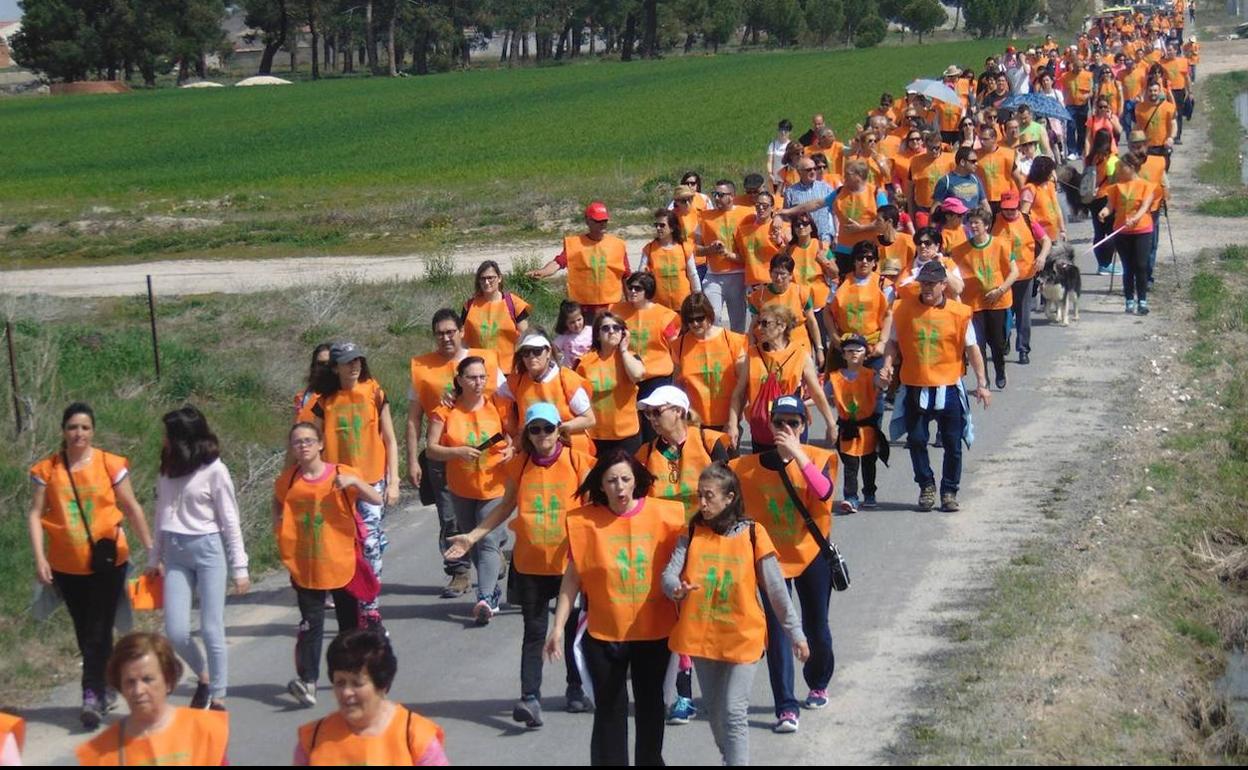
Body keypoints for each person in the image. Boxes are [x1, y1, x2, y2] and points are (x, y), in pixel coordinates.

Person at [445, 403, 593, 726]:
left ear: (559, 430)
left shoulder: (578, 461)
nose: (542, 435)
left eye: (548, 428)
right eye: (535, 429)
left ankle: (575, 688)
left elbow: (593, 509)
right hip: (530, 563)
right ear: (527, 433)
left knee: (571, 630)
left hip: (569, 565)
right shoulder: (520, 465)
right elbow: (505, 506)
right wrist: (472, 537)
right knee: (534, 631)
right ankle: (530, 698)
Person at [544, 451, 685, 766]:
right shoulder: (584, 523)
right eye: (611, 481)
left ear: (636, 481)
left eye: (625, 479)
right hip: (604, 632)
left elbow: (686, 567)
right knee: (609, 709)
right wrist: (557, 627)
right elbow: (572, 579)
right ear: (600, 485)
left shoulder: (667, 516)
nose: (619, 487)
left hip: (655, 630)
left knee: (651, 706)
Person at [663, 464, 809, 765]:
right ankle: (730, 757)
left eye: (709, 496)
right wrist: (676, 588)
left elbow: (776, 590)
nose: (702, 503)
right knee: (716, 714)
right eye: (700, 495)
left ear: (729, 498)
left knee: (733, 711)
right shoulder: (691, 532)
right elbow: (668, 575)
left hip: (744, 636)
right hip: (702, 637)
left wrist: (796, 633)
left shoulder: (753, 533)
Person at [27, 402, 154, 729]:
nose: (78, 433)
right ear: (63, 431)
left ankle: (91, 695)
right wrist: (40, 558)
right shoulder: (47, 470)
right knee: (86, 630)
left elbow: (131, 506)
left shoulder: (109, 464)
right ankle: (108, 683)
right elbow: (35, 514)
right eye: (73, 427)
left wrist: (152, 548)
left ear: (93, 431)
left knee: (97, 628)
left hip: (107, 561)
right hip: (66, 565)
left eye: (85, 427)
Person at [728, 397, 837, 734]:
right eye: (779, 423)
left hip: (810, 554)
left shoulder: (819, 458)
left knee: (815, 626)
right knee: (776, 632)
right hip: (771, 558)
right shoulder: (745, 467)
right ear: (769, 425)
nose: (786, 429)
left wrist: (798, 454)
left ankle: (818, 682)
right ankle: (786, 707)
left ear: (805, 426)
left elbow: (823, 492)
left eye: (794, 423)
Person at [150, 406, 249, 712]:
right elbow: (161, 514)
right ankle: (204, 676)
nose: (163, 439)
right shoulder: (167, 468)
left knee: (211, 628)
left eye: (168, 434)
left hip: (208, 550)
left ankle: (218, 695)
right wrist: (154, 557)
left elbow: (230, 520)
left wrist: (240, 566)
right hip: (175, 552)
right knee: (176, 631)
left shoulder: (215, 470)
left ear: (184, 439)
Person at [276, 422, 380, 707]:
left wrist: (355, 483)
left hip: (341, 563)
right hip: (306, 565)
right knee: (310, 625)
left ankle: (351, 677)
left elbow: (376, 499)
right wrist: (280, 531)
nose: (303, 446)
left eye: (309, 440)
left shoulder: (342, 473)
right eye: (297, 442)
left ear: (321, 444)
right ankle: (308, 682)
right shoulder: (288, 480)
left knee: (348, 628)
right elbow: (278, 504)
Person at [881, 261, 992, 512]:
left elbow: (972, 349)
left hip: (948, 386)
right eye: (924, 283)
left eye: (932, 283)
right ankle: (926, 485)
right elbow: (893, 342)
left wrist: (982, 383)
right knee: (917, 440)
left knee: (953, 443)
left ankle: (949, 491)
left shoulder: (959, 313)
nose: (927, 288)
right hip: (915, 385)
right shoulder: (903, 309)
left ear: (944, 285)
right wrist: (887, 366)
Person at [408, 310, 505, 598]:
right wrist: (412, 459)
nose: (446, 338)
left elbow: (508, 401)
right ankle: (459, 571)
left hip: (488, 458)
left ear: (462, 331)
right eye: (440, 333)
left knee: (487, 516)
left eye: (451, 331)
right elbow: (413, 418)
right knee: (451, 517)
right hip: (444, 453)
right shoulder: (422, 368)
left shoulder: (486, 361)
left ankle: (491, 555)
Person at [313, 342, 399, 627]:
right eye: (348, 362)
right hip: (338, 486)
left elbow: (390, 439)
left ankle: (370, 607)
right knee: (347, 546)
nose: (354, 366)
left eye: (358, 360)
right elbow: (312, 444)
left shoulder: (374, 392)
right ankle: (353, 599)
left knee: (370, 543)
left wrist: (394, 481)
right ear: (335, 368)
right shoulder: (324, 403)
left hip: (371, 480)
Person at [427, 356, 516, 623]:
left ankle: (486, 598)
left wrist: (511, 449)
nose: (478, 383)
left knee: (487, 540)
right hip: (461, 488)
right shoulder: (445, 411)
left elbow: (515, 435)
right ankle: (491, 587)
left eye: (482, 377)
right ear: (459, 380)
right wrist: (457, 452)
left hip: (494, 486)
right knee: (471, 541)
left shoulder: (498, 405)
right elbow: (431, 448)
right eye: (472, 377)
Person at [295, 629, 448, 765]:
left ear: (382, 685)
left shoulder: (415, 736)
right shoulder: (313, 739)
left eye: (357, 683)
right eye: (340, 683)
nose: (346, 692)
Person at [76, 632, 229, 765]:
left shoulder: (204, 730)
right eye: (130, 682)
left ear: (168, 680)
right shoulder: (101, 752)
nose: (138, 690)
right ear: (119, 685)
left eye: (147, 679)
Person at [726, 304, 837, 454]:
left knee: (793, 468)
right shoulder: (752, 354)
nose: (759, 328)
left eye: (765, 323)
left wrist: (831, 424)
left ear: (782, 326)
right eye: (758, 323)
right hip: (762, 428)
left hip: (792, 427)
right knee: (764, 468)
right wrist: (733, 424)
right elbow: (739, 393)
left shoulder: (800, 355)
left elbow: (816, 393)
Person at [609, 272, 683, 438]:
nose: (632, 291)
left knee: (654, 428)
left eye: (638, 288)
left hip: (656, 378)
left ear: (647, 291)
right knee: (631, 426)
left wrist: (678, 377)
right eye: (630, 287)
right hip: (627, 375)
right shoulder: (616, 311)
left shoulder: (666, 316)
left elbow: (675, 348)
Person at [528, 201, 631, 320]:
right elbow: (559, 262)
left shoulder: (617, 245)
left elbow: (626, 275)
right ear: (587, 221)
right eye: (597, 221)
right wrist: (543, 272)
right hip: (584, 309)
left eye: (604, 221)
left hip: (611, 308)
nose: (602, 224)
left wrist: (630, 303)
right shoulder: (575, 244)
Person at [951, 209, 1017, 390]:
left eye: (977, 223)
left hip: (997, 302)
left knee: (997, 342)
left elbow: (1014, 272)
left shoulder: (1001, 244)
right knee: (978, 343)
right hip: (973, 303)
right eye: (970, 222)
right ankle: (984, 380)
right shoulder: (960, 250)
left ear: (986, 225)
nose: (973, 226)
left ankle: (1000, 370)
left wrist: (1001, 290)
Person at [499, 332, 596, 455]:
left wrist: (556, 430)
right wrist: (514, 443)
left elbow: (589, 419)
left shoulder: (566, 379)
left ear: (548, 352)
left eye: (537, 351)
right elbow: (495, 401)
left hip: (569, 449)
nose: (531, 356)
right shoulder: (516, 382)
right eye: (526, 352)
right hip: (533, 447)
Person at [827, 335, 889, 513]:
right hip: (847, 428)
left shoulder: (871, 375)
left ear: (865, 354)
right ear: (843, 355)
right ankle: (850, 497)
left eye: (858, 350)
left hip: (867, 428)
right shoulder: (835, 377)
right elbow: (820, 395)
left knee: (869, 463)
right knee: (850, 465)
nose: (854, 354)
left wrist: (885, 379)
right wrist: (801, 403)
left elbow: (881, 384)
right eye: (849, 351)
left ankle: (869, 494)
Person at [670, 293, 749, 432]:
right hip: (694, 424)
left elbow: (743, 387)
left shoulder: (733, 341)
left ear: (709, 315)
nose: (695, 323)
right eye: (690, 320)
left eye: (700, 318)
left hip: (727, 421)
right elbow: (677, 386)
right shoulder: (679, 346)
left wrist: (733, 421)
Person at [576, 312, 646, 456]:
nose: (611, 331)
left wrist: (624, 350)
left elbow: (637, 375)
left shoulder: (630, 357)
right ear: (597, 335)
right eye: (605, 328)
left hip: (627, 434)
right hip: (596, 435)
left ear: (623, 333)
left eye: (616, 328)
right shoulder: (584, 362)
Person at [993, 191, 1052, 365]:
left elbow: (1046, 241)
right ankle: (1004, 341)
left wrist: (1042, 257)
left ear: (1018, 206)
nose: (1009, 212)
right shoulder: (993, 221)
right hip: (1002, 276)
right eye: (1006, 209)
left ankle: (1023, 349)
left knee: (1024, 315)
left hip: (1025, 274)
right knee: (1003, 314)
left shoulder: (1028, 220)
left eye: (1013, 209)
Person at [1100, 153, 1157, 315]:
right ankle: (1129, 300)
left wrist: (1135, 218)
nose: (1118, 170)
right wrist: (1104, 212)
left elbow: (1145, 207)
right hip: (1121, 231)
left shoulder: (1146, 186)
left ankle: (1142, 301)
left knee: (1141, 265)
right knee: (1128, 267)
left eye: (1121, 167)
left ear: (1131, 167)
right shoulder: (1116, 187)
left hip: (1142, 230)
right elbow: (1110, 205)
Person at [827, 241, 893, 377]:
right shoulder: (840, 283)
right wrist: (834, 338)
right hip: (845, 346)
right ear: (854, 261)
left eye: (869, 258)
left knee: (874, 386)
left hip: (873, 347)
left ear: (875, 262)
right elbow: (827, 312)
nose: (864, 261)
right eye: (860, 258)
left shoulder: (884, 285)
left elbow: (889, 315)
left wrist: (882, 343)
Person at [696, 180, 752, 332]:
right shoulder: (705, 217)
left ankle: (736, 346)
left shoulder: (747, 214)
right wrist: (709, 249)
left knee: (738, 321)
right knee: (713, 317)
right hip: (713, 275)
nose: (716, 198)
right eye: (715, 194)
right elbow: (695, 249)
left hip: (738, 275)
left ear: (731, 196)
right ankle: (718, 343)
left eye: (720, 195)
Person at [747, 254, 821, 368]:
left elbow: (812, 322)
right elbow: (753, 326)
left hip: (799, 346)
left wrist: (819, 348)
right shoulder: (758, 296)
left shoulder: (801, 293)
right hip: (770, 350)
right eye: (775, 273)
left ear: (791, 275)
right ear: (770, 273)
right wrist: (751, 348)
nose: (778, 278)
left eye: (783, 274)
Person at [461, 260, 531, 372]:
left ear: (499, 278)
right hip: (479, 371)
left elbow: (526, 337)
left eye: (490, 278)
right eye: (482, 278)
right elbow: (463, 341)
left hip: (509, 370)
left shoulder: (514, 304)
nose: (486, 282)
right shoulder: (469, 306)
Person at [640, 208, 699, 311]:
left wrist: (698, 296)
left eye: (662, 225)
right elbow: (640, 275)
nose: (658, 228)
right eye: (656, 225)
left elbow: (692, 274)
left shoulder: (684, 248)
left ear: (672, 228)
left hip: (682, 304)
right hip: (659, 306)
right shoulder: (649, 249)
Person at [733, 190, 788, 290]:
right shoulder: (744, 231)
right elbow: (743, 257)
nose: (761, 208)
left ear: (772, 208)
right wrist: (725, 253)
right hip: (752, 283)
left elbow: (789, 255)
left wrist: (779, 242)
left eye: (765, 205)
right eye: (758, 205)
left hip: (774, 281)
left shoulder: (781, 227)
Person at [782, 157, 836, 249]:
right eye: (809, 170)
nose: (813, 172)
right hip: (803, 242)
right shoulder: (790, 192)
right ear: (799, 172)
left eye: (814, 168)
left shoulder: (826, 188)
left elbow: (835, 213)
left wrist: (836, 234)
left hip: (825, 240)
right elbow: (786, 218)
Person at [1087, 128, 1121, 275]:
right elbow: (1114, 182)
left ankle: (1101, 264)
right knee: (1112, 233)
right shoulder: (1111, 160)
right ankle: (1106, 263)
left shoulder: (1092, 158)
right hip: (1106, 198)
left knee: (1098, 233)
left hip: (1093, 198)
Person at [975, 123, 1026, 215]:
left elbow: (1018, 178)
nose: (982, 142)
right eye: (980, 139)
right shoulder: (975, 155)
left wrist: (1023, 199)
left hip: (1004, 199)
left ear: (994, 139)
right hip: (984, 200)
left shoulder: (1007, 154)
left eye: (985, 139)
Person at [908, 132, 955, 229]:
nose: (934, 151)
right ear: (925, 145)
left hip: (944, 209)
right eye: (931, 148)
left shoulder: (950, 160)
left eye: (937, 148)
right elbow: (910, 190)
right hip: (923, 209)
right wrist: (911, 214)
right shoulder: (916, 161)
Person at [1019, 156, 1066, 243]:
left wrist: (1062, 229)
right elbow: (1024, 214)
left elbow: (1057, 208)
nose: (1053, 174)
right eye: (1050, 171)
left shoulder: (1050, 185)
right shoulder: (1030, 189)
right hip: (1039, 237)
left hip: (1053, 234)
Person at [933, 147, 988, 217]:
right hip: (955, 222)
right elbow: (935, 207)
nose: (976, 164)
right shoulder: (946, 181)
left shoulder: (975, 179)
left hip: (973, 222)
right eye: (973, 161)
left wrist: (988, 220)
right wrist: (932, 224)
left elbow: (984, 203)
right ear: (962, 162)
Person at [1134, 80, 1177, 168]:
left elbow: (1174, 124)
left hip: (1163, 146)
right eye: (1150, 91)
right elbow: (1137, 127)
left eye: (1155, 91)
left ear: (1159, 91)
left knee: (1162, 171)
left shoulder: (1168, 107)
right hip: (1147, 147)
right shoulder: (1139, 108)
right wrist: (1136, 142)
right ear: (1146, 92)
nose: (1153, 93)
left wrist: (1171, 138)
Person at [294, 344, 332, 424]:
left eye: (329, 364)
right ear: (314, 366)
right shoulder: (302, 397)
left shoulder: (344, 395)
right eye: (320, 364)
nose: (325, 367)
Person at [553, 300, 593, 370]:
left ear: (583, 317)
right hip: (571, 372)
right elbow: (553, 349)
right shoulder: (565, 336)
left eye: (579, 319)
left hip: (589, 369)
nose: (577, 324)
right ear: (565, 323)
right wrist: (557, 364)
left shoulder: (591, 331)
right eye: (572, 322)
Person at [767, 119, 795, 190]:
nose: (783, 133)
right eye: (781, 130)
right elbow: (769, 161)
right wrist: (770, 174)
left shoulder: (792, 145)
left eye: (786, 131)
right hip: (775, 180)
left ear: (790, 132)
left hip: (788, 180)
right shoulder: (773, 145)